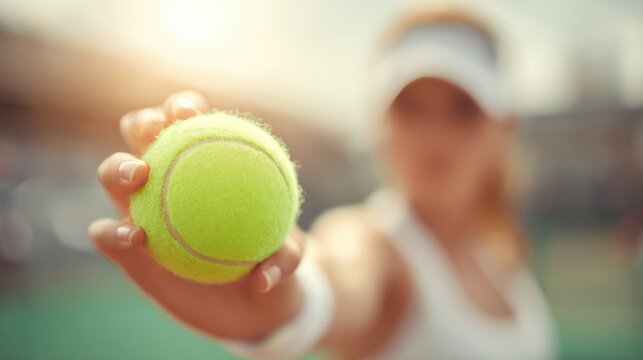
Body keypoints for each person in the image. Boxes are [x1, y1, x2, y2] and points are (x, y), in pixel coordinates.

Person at [89, 6, 557, 360]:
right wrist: (287, 305)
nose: (432, 136)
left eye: (462, 109)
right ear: (379, 122)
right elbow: (338, 280)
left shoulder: (500, 255)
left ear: (505, 127)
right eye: (409, 106)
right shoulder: (373, 242)